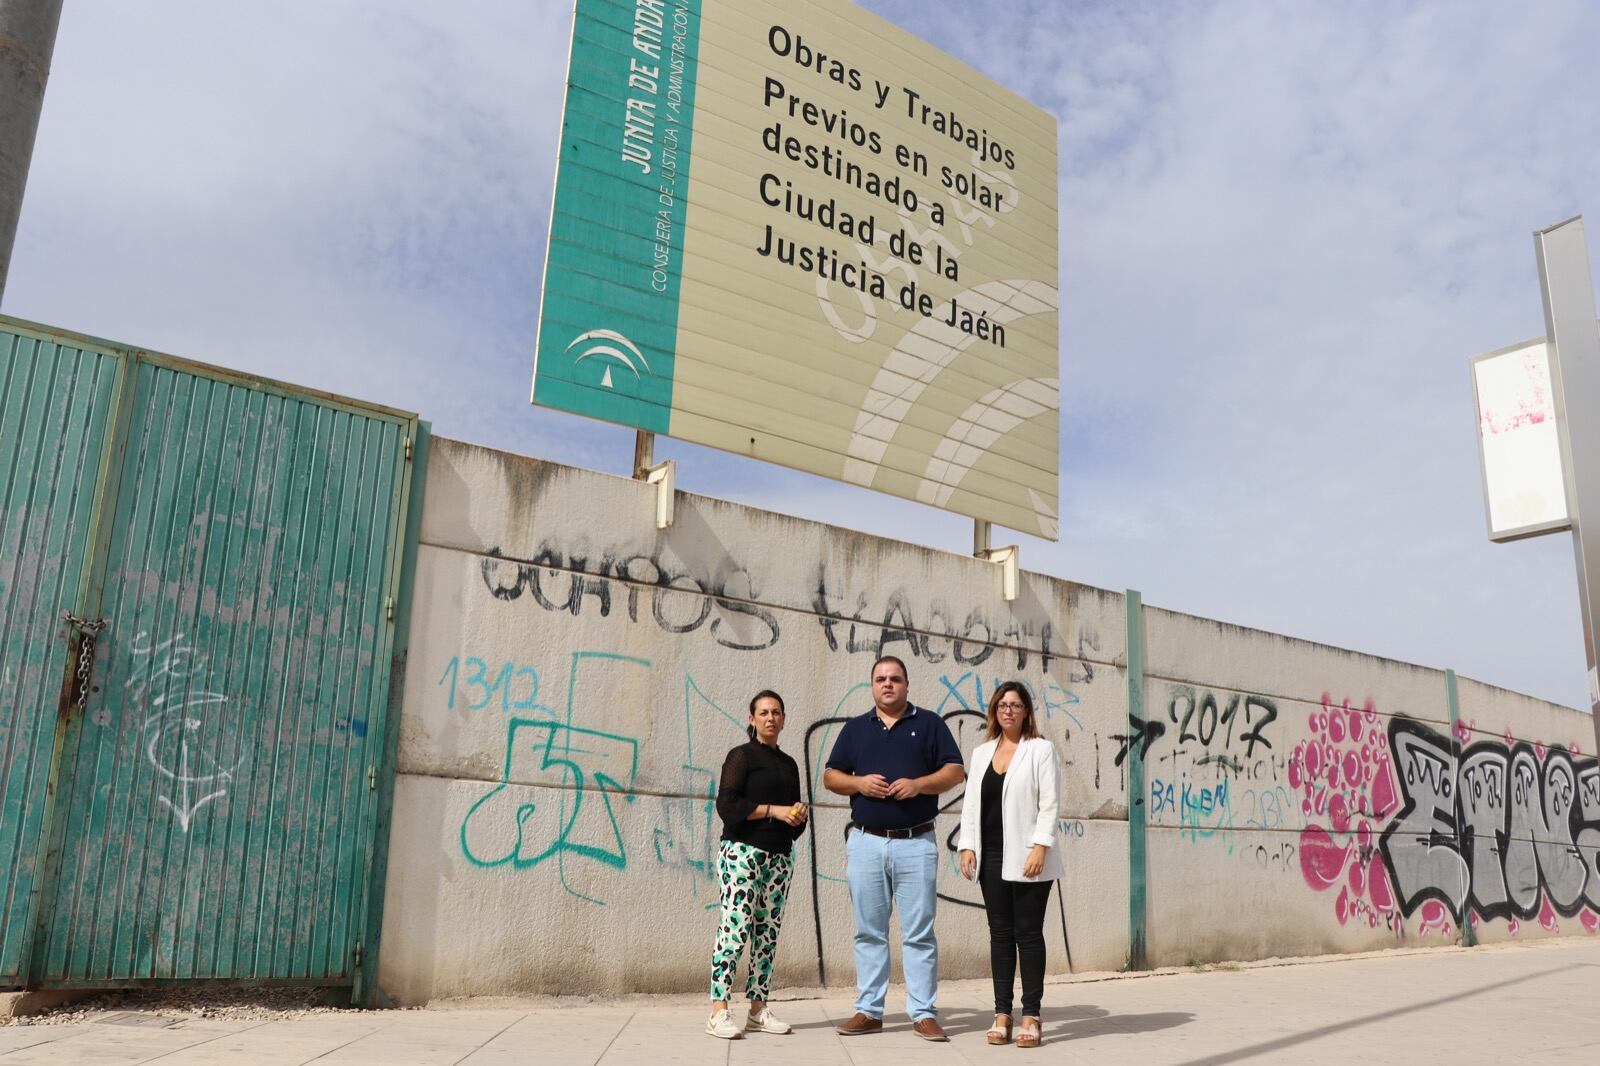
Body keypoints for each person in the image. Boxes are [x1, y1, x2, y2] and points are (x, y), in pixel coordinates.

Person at [823, 655, 965, 1041]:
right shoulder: (856, 728)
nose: (888, 684)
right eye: (881, 679)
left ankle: (923, 1013)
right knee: (869, 932)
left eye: (895, 678)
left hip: (916, 843)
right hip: (866, 842)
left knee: (919, 934)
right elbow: (831, 776)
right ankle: (869, 1011)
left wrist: (919, 785)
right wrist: (859, 784)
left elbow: (955, 771)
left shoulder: (930, 724)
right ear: (872, 685)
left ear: (906, 684)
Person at [957, 682, 1064, 1049]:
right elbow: (971, 804)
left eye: (1016, 705)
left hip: (1030, 856)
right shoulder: (981, 753)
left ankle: (1031, 1015)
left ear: (1026, 711)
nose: (1008, 710)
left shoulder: (1040, 750)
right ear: (994, 710)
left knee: (1028, 934)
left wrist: (1041, 846)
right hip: (991, 857)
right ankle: (1002, 1013)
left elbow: (1050, 803)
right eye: (1002, 704)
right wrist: (967, 845)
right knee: (1000, 935)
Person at [705, 689, 809, 1040]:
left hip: (779, 856)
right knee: (734, 931)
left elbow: (793, 819)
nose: (770, 718)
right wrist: (773, 811)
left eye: (776, 712)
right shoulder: (741, 756)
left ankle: (757, 1009)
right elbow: (728, 805)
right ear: (752, 719)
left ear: (784, 719)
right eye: (763, 712)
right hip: (742, 853)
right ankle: (718, 1011)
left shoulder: (789, 764)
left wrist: (797, 815)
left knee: (767, 935)